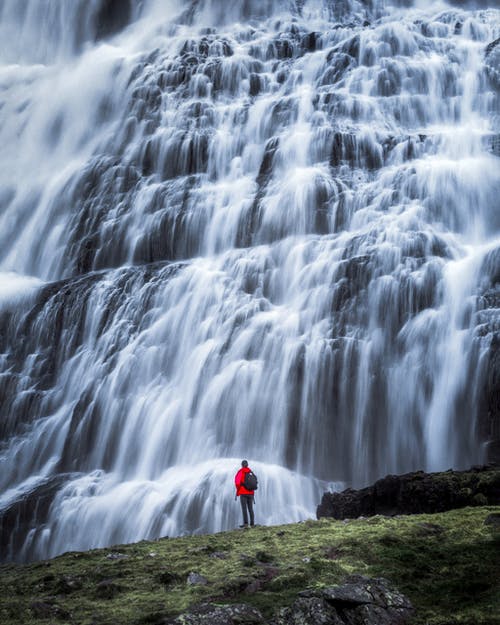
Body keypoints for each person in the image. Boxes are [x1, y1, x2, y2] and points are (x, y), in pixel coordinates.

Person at [234, 460, 255, 527]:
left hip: (243, 493)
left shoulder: (241, 472)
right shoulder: (251, 472)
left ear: (242, 465)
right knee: (250, 508)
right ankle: (252, 523)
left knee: (244, 508)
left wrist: (238, 490)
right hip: (251, 493)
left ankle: (246, 524)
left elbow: (237, 482)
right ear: (247, 465)